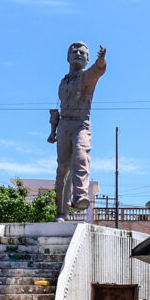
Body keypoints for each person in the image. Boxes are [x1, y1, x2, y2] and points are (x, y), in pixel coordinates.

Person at [48, 42, 106, 221]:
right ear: (67, 57)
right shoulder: (63, 81)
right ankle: (61, 212)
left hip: (81, 123)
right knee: (62, 169)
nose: (78, 54)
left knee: (81, 155)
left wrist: (101, 59)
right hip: (63, 125)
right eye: (74, 51)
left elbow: (98, 70)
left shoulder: (87, 77)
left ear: (88, 59)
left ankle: (80, 196)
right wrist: (53, 130)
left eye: (83, 52)